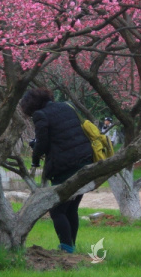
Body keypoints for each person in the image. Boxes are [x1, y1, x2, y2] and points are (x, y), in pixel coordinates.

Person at [20, 89, 94, 254]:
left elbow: (43, 144)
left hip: (66, 167)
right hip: (86, 162)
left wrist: (35, 157)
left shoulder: (40, 115)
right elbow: (65, 134)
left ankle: (66, 249)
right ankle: (70, 247)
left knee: (57, 210)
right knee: (71, 209)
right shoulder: (68, 106)